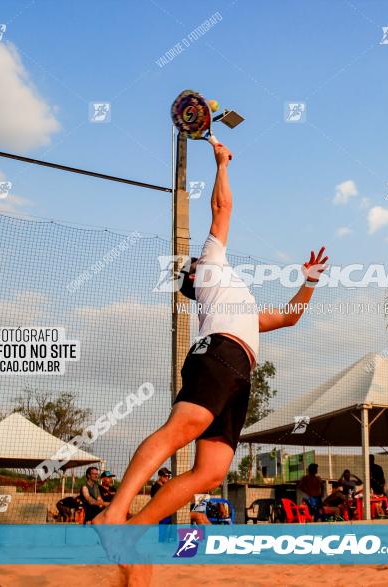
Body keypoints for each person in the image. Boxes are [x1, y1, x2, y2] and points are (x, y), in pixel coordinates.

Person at [93, 142, 329, 531]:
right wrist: (221, 164)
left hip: (237, 369)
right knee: (179, 431)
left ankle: (134, 528)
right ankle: (114, 511)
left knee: (210, 472)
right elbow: (222, 209)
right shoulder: (209, 267)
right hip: (218, 354)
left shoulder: (238, 306)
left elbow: (289, 318)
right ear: (192, 273)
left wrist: (311, 282)